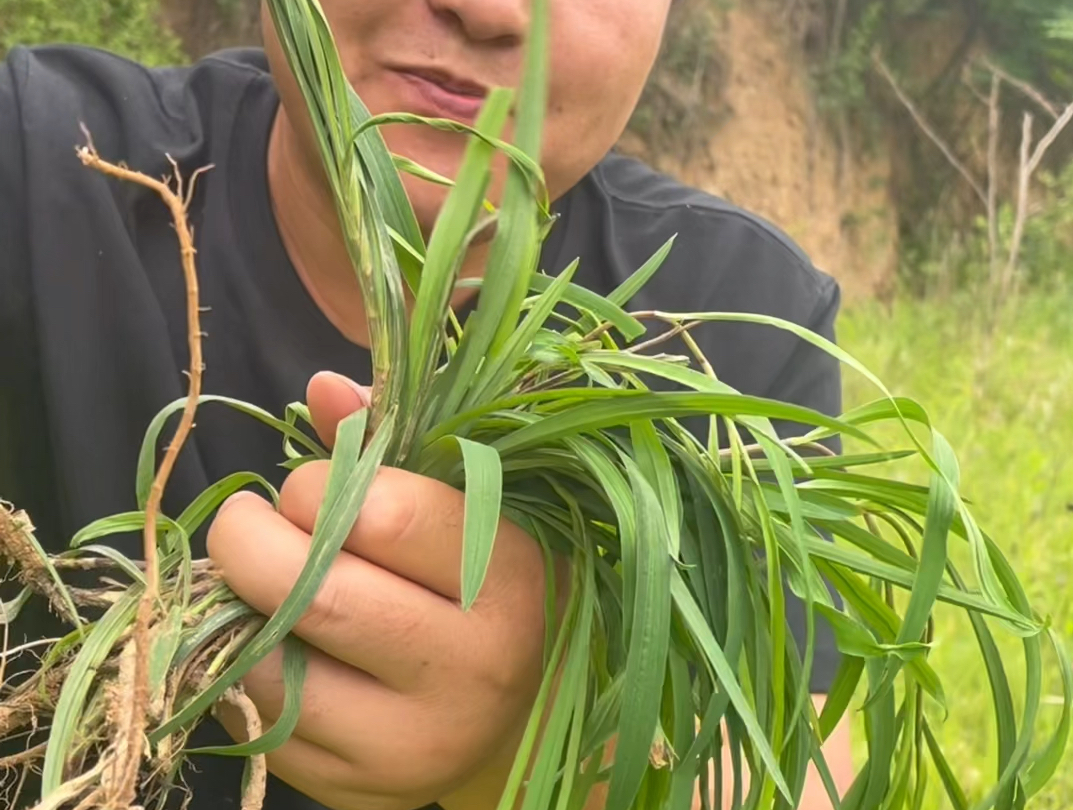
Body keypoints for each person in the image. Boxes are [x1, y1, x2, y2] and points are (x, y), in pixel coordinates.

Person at [0, 1, 854, 808]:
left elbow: (800, 773)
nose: (485, 10)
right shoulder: (34, 165)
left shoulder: (731, 326)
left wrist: (555, 742)